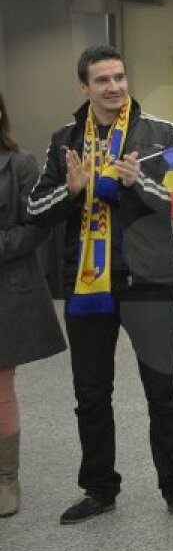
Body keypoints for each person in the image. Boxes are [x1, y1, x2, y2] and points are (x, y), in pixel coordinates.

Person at [27, 45, 173, 524]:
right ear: (84, 87)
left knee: (162, 390)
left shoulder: (161, 132)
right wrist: (73, 190)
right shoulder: (64, 138)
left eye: (120, 77)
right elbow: (34, 209)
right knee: (90, 395)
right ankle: (99, 489)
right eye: (102, 80)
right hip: (87, 285)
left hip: (148, 281)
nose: (114, 87)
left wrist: (136, 184)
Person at [1, 92, 68, 517]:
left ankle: (6, 478)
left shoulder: (21, 164)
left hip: (7, 288)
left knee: (0, 387)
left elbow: (38, 225)